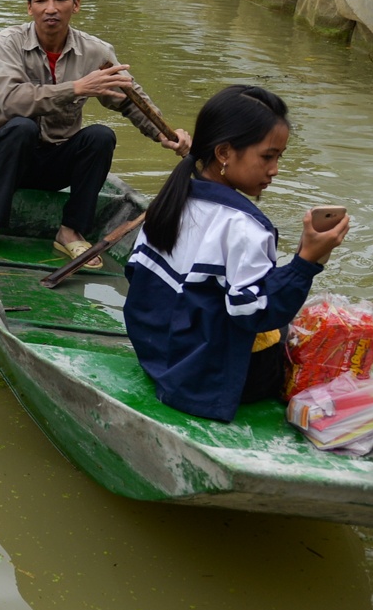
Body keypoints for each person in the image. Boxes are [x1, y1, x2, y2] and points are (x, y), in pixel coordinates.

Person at [123, 84, 351, 421]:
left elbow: (134, 273)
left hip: (155, 352)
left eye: (278, 158)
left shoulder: (171, 198)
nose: (274, 170)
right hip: (204, 379)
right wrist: (306, 263)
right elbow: (255, 314)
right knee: (290, 331)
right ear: (225, 153)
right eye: (267, 156)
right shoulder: (247, 227)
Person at [0, 0, 191, 265]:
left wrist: (166, 134)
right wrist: (77, 88)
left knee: (100, 136)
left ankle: (70, 232)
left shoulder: (96, 52)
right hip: (6, 159)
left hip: (58, 164)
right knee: (21, 127)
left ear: (76, 4)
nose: (51, 9)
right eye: (41, 0)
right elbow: (10, 101)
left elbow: (130, 98)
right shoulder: (7, 43)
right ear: (29, 7)